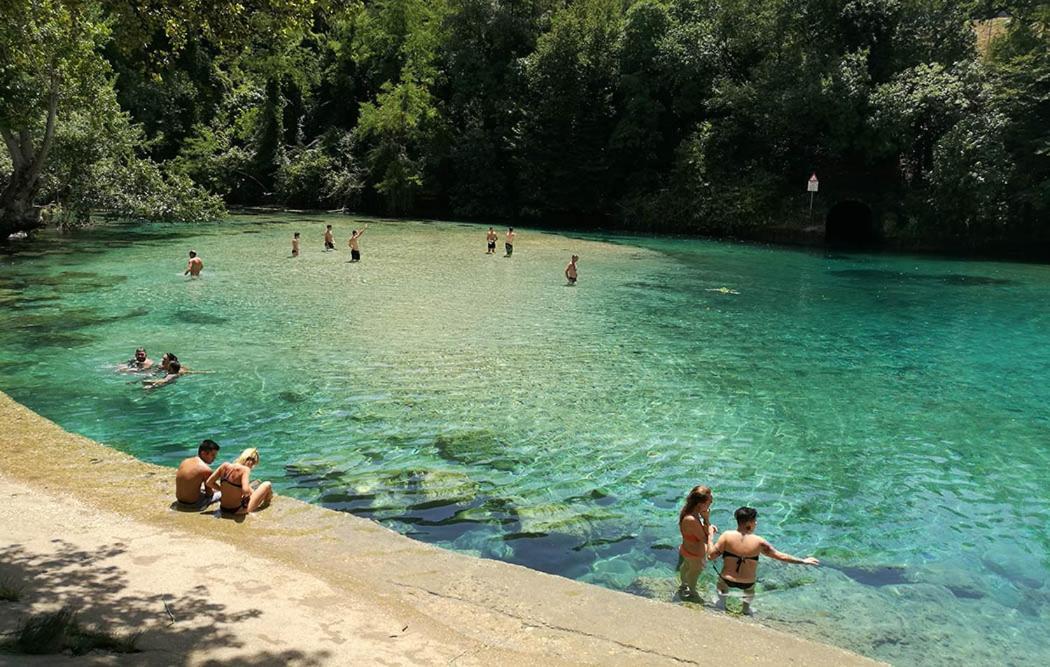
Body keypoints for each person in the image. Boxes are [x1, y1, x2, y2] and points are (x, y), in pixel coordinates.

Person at [708, 506, 820, 615]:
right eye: (754, 520)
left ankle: (721, 604)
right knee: (750, 591)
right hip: (748, 583)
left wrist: (710, 535)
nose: (756, 523)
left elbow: (711, 556)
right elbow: (780, 556)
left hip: (727, 579)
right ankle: (746, 609)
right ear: (749, 523)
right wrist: (803, 561)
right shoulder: (759, 542)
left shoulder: (726, 536)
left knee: (721, 584)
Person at [677, 485, 717, 601]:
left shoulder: (690, 512)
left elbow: (697, 533)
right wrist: (709, 526)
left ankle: (683, 585)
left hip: (687, 549)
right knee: (693, 574)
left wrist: (705, 520)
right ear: (700, 503)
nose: (711, 503)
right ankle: (693, 593)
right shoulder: (691, 519)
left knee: (686, 567)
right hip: (695, 555)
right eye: (710, 501)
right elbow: (706, 539)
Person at [206, 447, 273, 516]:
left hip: (223, 508)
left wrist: (223, 490)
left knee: (252, 488)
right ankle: (267, 504)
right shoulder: (245, 470)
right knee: (267, 484)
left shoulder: (225, 465)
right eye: (253, 464)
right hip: (237, 510)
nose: (252, 467)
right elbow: (245, 491)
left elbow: (209, 482)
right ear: (251, 461)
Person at [175, 440, 222, 507]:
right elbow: (209, 494)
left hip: (179, 500)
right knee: (221, 493)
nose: (214, 458)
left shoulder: (185, 461)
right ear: (203, 453)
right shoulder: (206, 469)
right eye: (213, 455)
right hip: (193, 503)